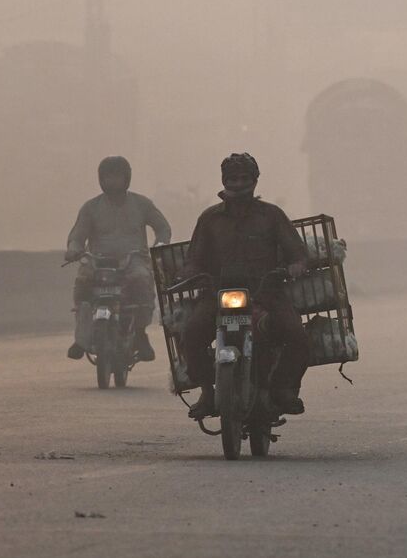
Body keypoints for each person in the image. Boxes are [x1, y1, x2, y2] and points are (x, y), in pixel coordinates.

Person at [178, 153, 310, 420]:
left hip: (267, 293)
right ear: (224, 181)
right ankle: (206, 391)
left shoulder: (272, 216)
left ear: (255, 180)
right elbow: (194, 259)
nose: (238, 184)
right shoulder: (209, 219)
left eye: (244, 178)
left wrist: (296, 265)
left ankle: (284, 388)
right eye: (233, 178)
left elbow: (297, 253)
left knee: (298, 336)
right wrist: (192, 274)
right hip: (218, 294)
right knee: (190, 334)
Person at [65, 156, 171, 361]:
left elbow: (163, 228)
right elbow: (77, 236)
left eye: (116, 177)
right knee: (82, 283)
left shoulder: (142, 204)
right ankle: (81, 338)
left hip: (133, 261)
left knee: (142, 280)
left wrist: (160, 245)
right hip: (97, 262)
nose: (112, 182)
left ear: (126, 178)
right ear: (100, 180)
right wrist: (73, 249)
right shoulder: (90, 208)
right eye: (107, 178)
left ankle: (140, 334)